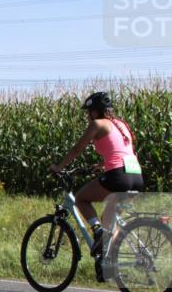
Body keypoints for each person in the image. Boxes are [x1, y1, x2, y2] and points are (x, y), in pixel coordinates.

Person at [49, 91, 144, 260]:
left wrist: (59, 167)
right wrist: (100, 165)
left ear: (96, 111)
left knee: (81, 198)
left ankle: (97, 232)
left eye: (89, 111)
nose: (88, 115)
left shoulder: (98, 124)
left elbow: (77, 149)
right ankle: (108, 260)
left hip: (118, 177)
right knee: (108, 220)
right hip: (136, 176)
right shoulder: (121, 124)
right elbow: (122, 151)